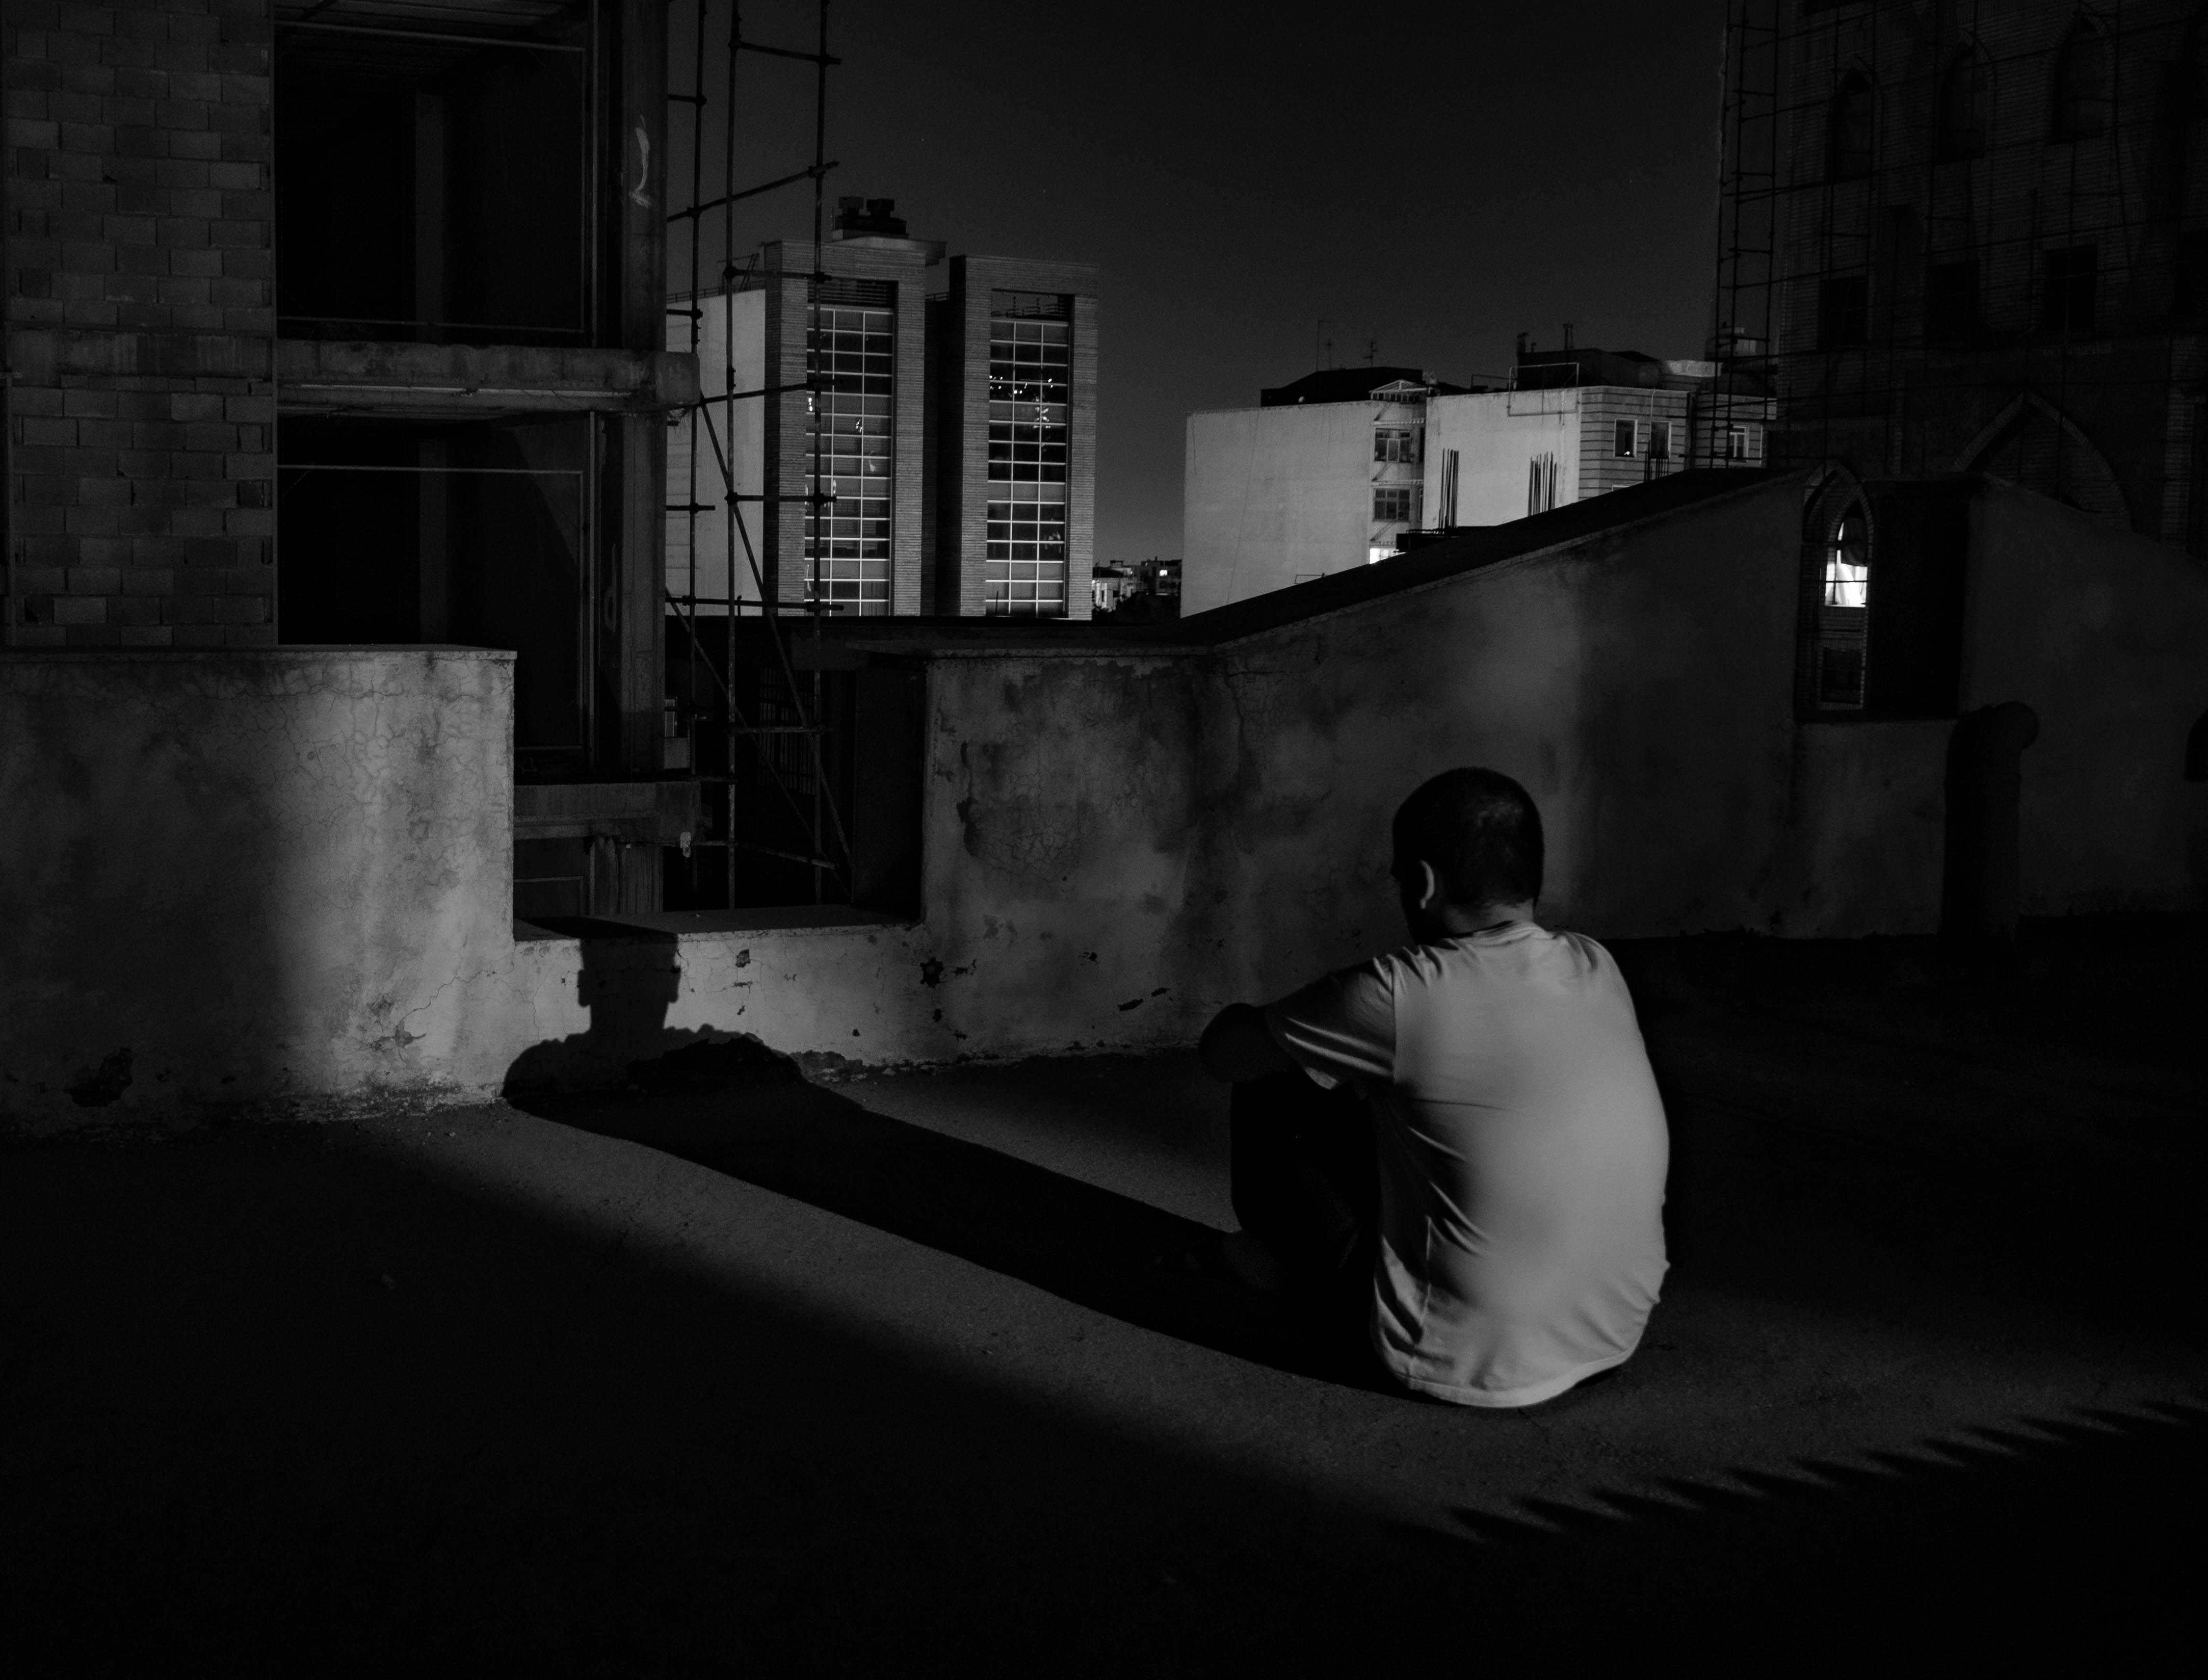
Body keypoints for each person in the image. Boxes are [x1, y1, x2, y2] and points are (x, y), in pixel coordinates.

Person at [1194, 767, 1669, 1409]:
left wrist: (1278, 1028)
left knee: (1273, 1079)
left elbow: (1223, 1054)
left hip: (1458, 1358)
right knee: (1405, 1093)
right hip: (1615, 1329)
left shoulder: (1399, 992)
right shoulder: (1595, 964)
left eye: (1397, 878)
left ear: (1421, 882)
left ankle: (1290, 1269)